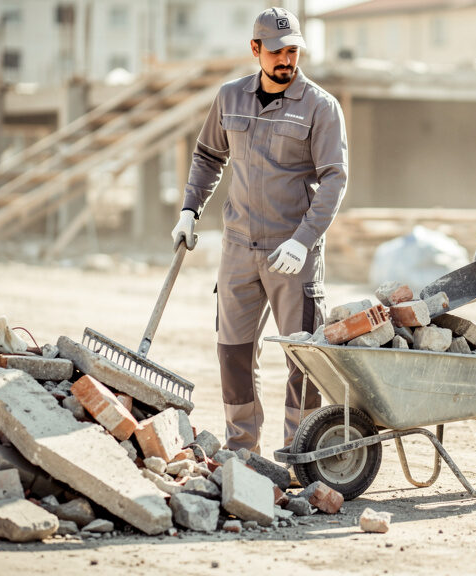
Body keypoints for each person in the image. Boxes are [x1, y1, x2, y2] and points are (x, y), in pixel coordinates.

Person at [171, 7, 348, 455]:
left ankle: (300, 454)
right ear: (256, 50)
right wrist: (190, 210)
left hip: (293, 254)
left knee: (303, 359)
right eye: (277, 52)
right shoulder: (230, 98)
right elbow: (209, 156)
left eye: (293, 51)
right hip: (237, 250)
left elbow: (335, 179)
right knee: (233, 353)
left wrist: (303, 240)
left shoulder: (321, 107)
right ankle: (241, 451)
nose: (287, 60)